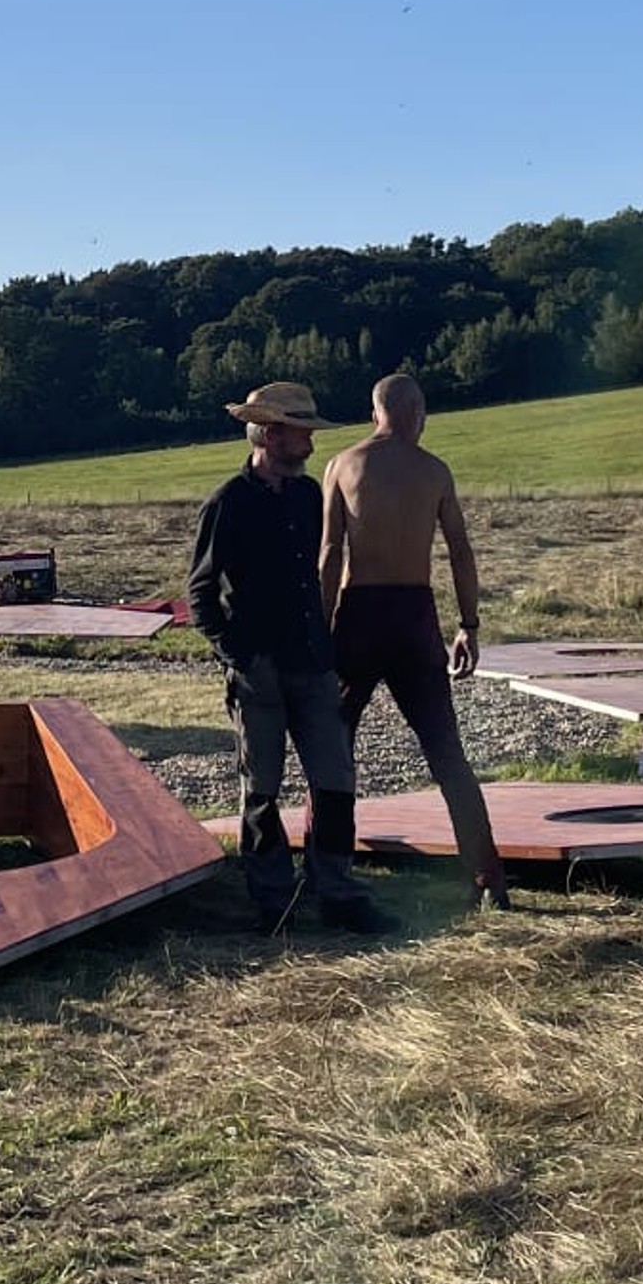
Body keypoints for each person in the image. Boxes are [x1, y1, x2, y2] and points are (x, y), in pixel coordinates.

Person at [322, 371, 514, 911]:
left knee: (335, 750)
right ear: (417, 413)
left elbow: (328, 555)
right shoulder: (434, 471)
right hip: (413, 613)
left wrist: (322, 627)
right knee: (446, 751)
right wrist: (468, 624)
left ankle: (326, 873)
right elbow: (460, 552)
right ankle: (487, 878)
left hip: (357, 610)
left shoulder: (342, 465)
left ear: (373, 412)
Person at [187, 379, 371, 929]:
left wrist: (330, 644)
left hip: (313, 664)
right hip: (260, 673)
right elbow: (200, 593)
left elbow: (321, 575)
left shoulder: (308, 495)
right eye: (300, 434)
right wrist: (239, 655)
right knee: (262, 789)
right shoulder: (228, 503)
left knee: (336, 781)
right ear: (269, 434)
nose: (311, 445)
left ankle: (334, 890)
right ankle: (273, 899)